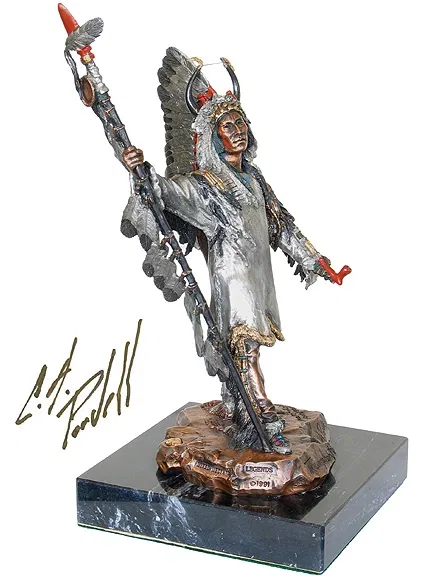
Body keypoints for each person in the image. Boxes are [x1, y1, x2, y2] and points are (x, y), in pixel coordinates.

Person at [122, 49, 333, 453]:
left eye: (240, 123)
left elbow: (280, 225)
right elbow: (169, 193)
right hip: (232, 278)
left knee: (250, 348)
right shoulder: (207, 184)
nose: (236, 131)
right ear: (213, 138)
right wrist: (141, 170)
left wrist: (316, 262)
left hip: (259, 276)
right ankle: (260, 416)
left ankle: (240, 404)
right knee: (243, 347)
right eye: (227, 126)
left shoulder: (254, 177)